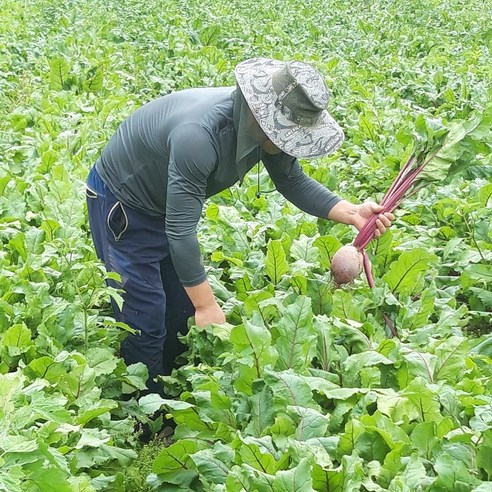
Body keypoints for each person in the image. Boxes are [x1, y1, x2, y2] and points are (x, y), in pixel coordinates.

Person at [86, 58, 394, 395]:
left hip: (167, 204)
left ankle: (167, 384)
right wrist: (207, 305)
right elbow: (180, 231)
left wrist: (352, 214)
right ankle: (142, 406)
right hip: (123, 202)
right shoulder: (199, 138)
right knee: (144, 313)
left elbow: (292, 182)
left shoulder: (261, 127)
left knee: (178, 309)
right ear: (269, 123)